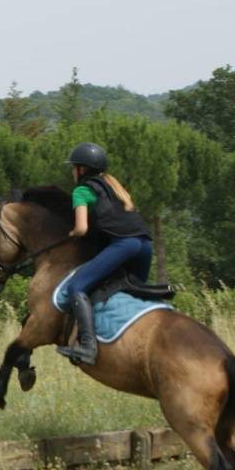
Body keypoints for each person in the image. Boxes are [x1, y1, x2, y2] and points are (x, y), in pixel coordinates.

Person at [57, 143, 153, 366]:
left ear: (81, 170)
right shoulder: (116, 189)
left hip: (124, 245)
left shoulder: (81, 190)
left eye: (74, 168)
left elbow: (82, 229)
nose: (72, 172)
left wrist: (71, 233)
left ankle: (88, 347)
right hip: (145, 245)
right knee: (133, 293)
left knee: (76, 287)